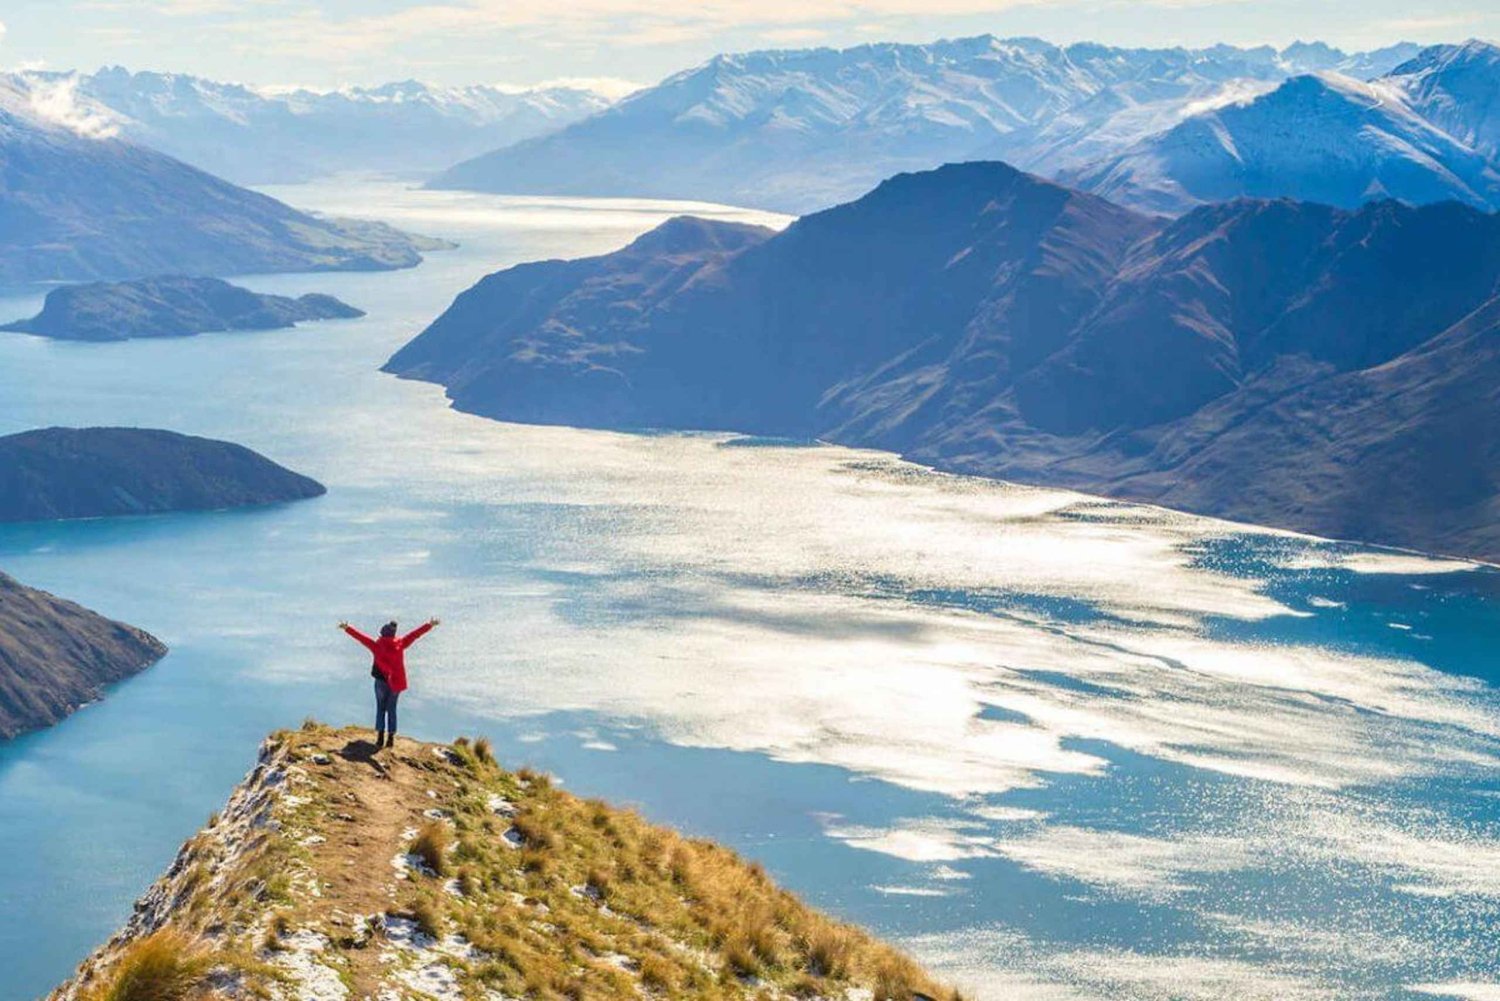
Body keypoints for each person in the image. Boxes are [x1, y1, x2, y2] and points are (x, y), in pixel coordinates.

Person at [338, 617, 440, 750]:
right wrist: (429, 625)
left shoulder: (376, 646)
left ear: (382, 634)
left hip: (381, 682)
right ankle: (390, 738)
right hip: (396, 683)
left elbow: (361, 638)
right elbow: (415, 635)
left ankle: (380, 738)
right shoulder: (400, 643)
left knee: (380, 708)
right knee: (392, 709)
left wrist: (347, 628)